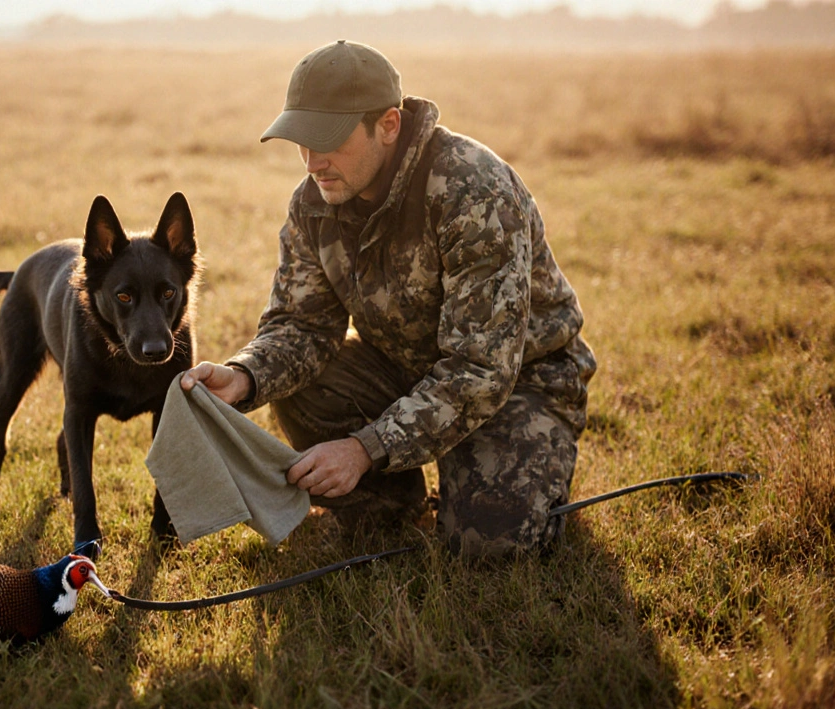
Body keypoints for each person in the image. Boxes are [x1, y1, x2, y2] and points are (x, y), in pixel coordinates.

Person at [181, 40, 596, 557]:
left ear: (389, 126)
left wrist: (364, 448)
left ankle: (502, 478)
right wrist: (244, 376)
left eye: (328, 139)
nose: (312, 161)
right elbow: (303, 326)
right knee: (304, 385)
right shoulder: (314, 204)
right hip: (404, 366)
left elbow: (481, 370)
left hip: (519, 382)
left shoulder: (473, 191)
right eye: (301, 141)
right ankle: (390, 502)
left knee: (487, 543)